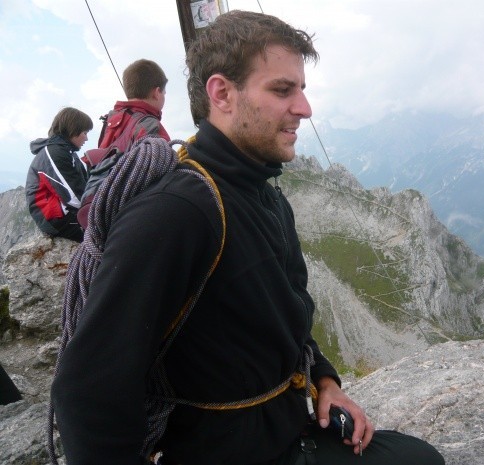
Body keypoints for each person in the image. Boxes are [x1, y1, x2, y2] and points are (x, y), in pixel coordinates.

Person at [51, 10, 445, 465]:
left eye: (301, 90)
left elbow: (290, 313)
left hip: (286, 433)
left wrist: (326, 382)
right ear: (222, 94)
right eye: (282, 90)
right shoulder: (178, 211)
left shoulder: (265, 196)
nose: (304, 108)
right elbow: (87, 388)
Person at [26, 107, 93, 242]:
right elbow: (72, 198)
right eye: (84, 132)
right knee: (107, 232)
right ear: (73, 130)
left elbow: (82, 187)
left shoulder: (67, 152)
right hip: (56, 218)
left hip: (63, 213)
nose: (86, 138)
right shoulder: (55, 153)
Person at [97, 58, 170, 151]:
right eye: (164, 92)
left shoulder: (111, 120)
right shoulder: (151, 125)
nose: (164, 95)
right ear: (157, 93)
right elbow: (162, 161)